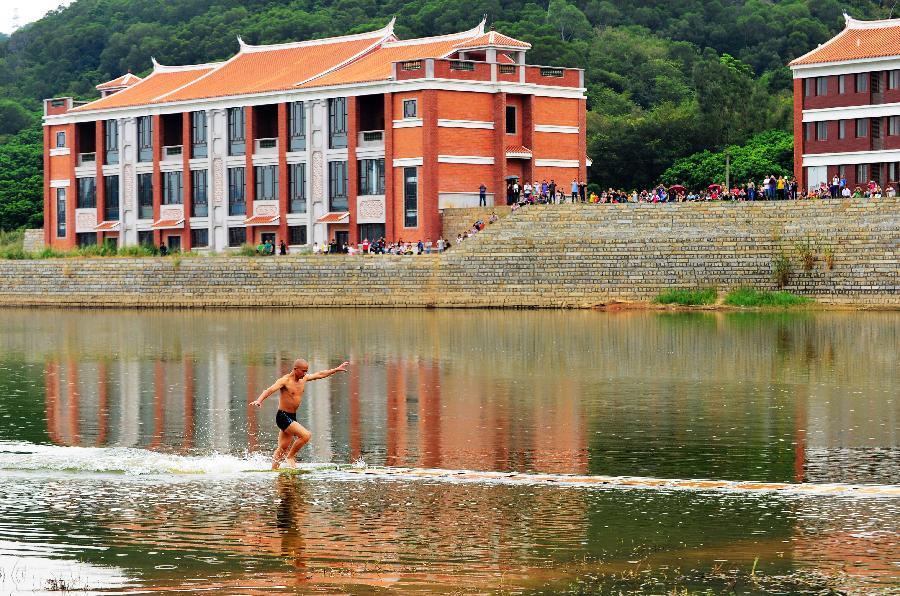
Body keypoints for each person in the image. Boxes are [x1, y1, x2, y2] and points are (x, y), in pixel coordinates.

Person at [252, 359, 349, 469]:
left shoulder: (304, 379)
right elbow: (269, 390)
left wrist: (336, 369)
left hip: (292, 416)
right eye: (303, 371)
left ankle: (274, 469)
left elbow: (320, 374)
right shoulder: (285, 381)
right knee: (306, 435)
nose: (305, 374)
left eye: (306, 371)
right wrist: (259, 400)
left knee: (283, 447)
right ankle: (290, 456)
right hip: (283, 416)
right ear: (295, 369)